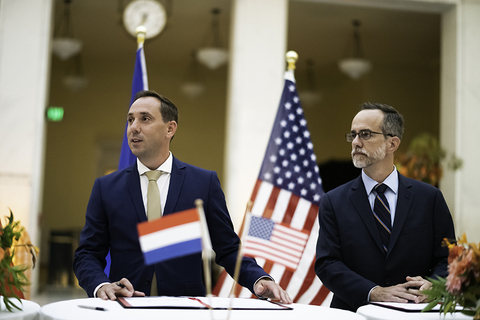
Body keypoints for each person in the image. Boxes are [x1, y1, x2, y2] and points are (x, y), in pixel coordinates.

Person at [74, 90, 292, 303]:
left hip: (186, 308)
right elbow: (88, 253)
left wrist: (258, 279)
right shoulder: (106, 187)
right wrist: (101, 285)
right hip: (127, 306)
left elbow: (228, 248)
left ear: (170, 128)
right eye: (130, 120)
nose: (134, 128)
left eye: (145, 119)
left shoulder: (203, 183)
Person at [315, 103, 455, 311]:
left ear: (393, 143)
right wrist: (373, 292)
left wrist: (433, 286)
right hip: (354, 313)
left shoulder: (430, 198)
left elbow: (449, 258)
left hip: (415, 313)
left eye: (365, 134)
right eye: (353, 135)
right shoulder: (333, 201)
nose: (355, 142)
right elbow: (327, 263)